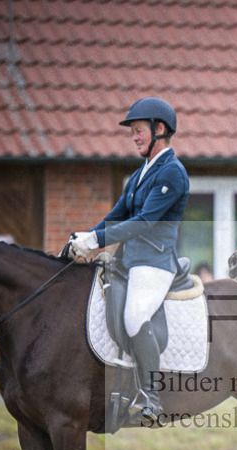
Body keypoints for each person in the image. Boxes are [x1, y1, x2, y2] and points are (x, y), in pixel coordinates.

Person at [69, 97, 190, 422]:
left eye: (139, 131)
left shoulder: (173, 173)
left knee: (136, 316)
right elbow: (116, 216)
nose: (134, 137)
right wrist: (85, 239)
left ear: (159, 130)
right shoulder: (139, 176)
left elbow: (144, 222)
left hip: (155, 262)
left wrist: (96, 241)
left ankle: (151, 397)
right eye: (133, 132)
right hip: (129, 262)